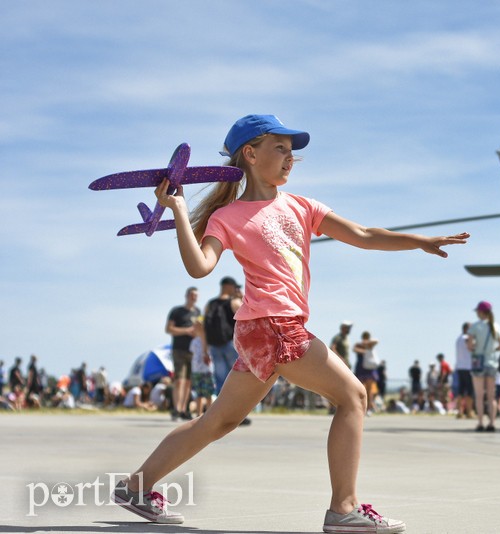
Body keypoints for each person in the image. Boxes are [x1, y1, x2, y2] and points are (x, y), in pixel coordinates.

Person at [112, 113, 468, 531]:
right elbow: (200, 267)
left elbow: (363, 235)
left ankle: (136, 486)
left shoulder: (302, 207)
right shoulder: (228, 217)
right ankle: (343, 509)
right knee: (353, 396)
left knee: (219, 421)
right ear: (250, 154)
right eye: (279, 148)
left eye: (291, 151)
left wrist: (419, 241)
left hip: (260, 331)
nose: (289, 157)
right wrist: (177, 208)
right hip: (274, 326)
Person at [468, 300, 500, 432]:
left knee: (479, 395)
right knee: (491, 396)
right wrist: (492, 350)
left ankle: (480, 422)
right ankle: (492, 423)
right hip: (492, 363)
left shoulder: (475, 326)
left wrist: (476, 348)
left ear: (480, 312)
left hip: (478, 363)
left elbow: (469, 346)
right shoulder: (496, 326)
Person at [166, 287, 201, 421]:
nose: (194, 297)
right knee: (179, 380)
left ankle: (184, 409)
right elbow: (169, 329)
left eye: (196, 295)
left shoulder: (198, 312)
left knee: (188, 381)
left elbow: (200, 329)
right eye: (192, 295)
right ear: (187, 295)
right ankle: (177, 409)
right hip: (179, 349)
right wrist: (186, 331)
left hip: (193, 351)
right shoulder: (177, 311)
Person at [204, 276, 242, 396]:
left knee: (220, 378)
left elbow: (204, 327)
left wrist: (205, 350)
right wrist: (241, 298)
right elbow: (246, 319)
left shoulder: (210, 304)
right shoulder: (234, 302)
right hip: (231, 344)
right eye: (234, 287)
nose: (236, 290)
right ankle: (238, 404)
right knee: (238, 375)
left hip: (214, 345)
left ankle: (222, 404)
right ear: (227, 286)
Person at [190, 319, 215, 419]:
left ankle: (209, 413)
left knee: (208, 393)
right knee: (198, 393)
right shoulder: (194, 341)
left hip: (207, 370)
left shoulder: (208, 340)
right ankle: (198, 413)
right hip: (196, 370)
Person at [353, 331, 380, 414]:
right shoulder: (359, 345)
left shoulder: (370, 345)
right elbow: (355, 349)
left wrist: (367, 344)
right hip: (361, 369)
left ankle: (368, 408)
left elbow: (376, 341)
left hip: (369, 369)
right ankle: (360, 407)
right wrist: (365, 350)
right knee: (360, 389)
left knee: (369, 390)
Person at [454, 322, 475, 419]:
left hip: (460, 367)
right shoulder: (466, 338)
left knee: (460, 391)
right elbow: (472, 347)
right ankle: (469, 412)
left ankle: (459, 411)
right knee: (469, 391)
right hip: (468, 367)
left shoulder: (458, 338)